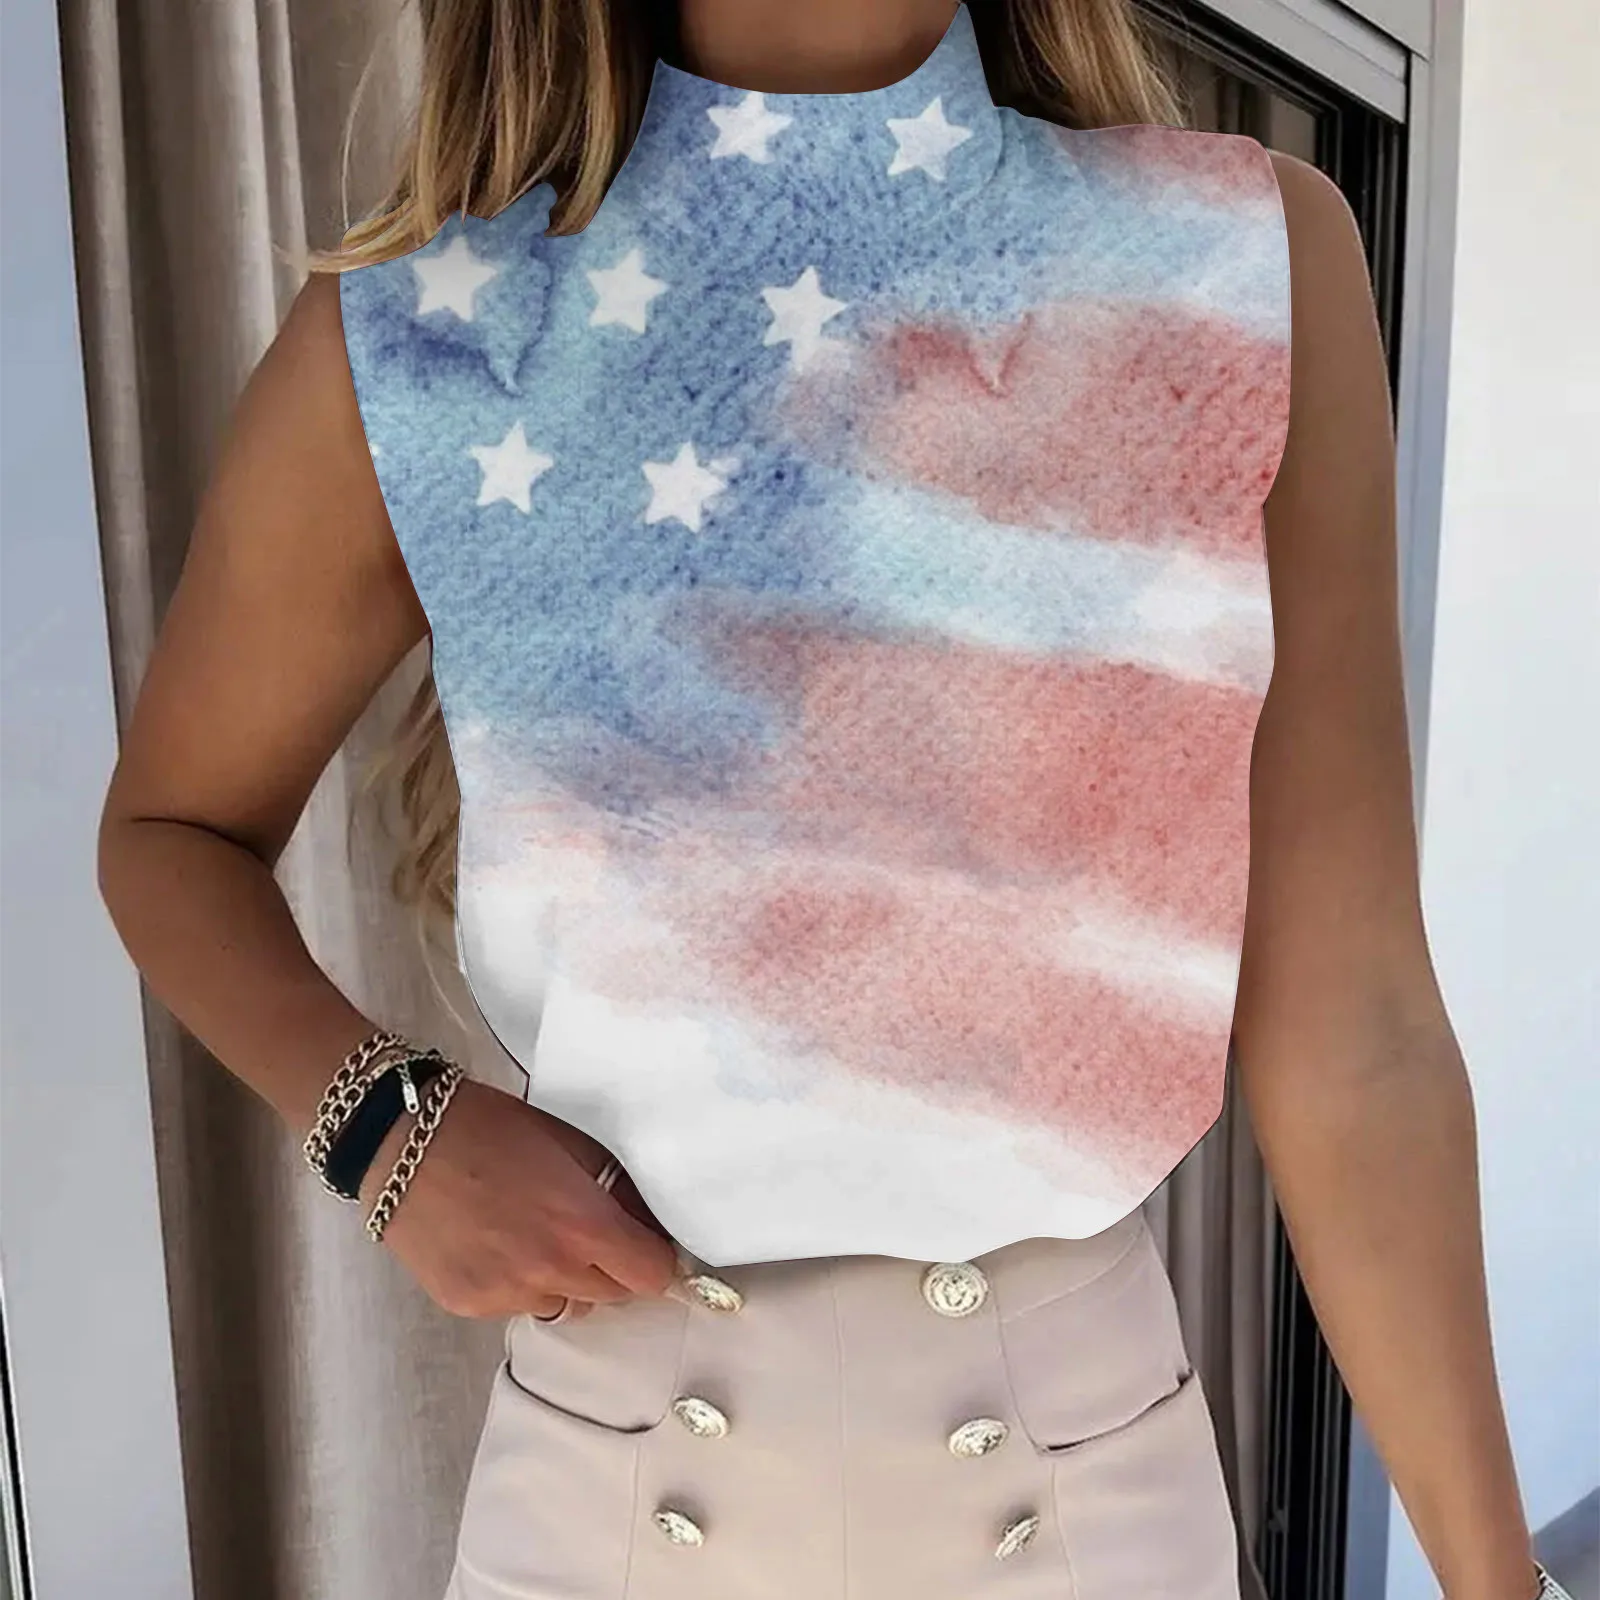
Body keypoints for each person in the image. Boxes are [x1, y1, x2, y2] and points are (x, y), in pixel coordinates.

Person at [96, 2, 1559, 1597]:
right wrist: (384, 1128)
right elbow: (170, 834)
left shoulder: (1243, 266)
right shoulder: (425, 335)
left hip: (1097, 1519)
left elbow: (1357, 1029)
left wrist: (1502, 1586)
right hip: (606, 1520)